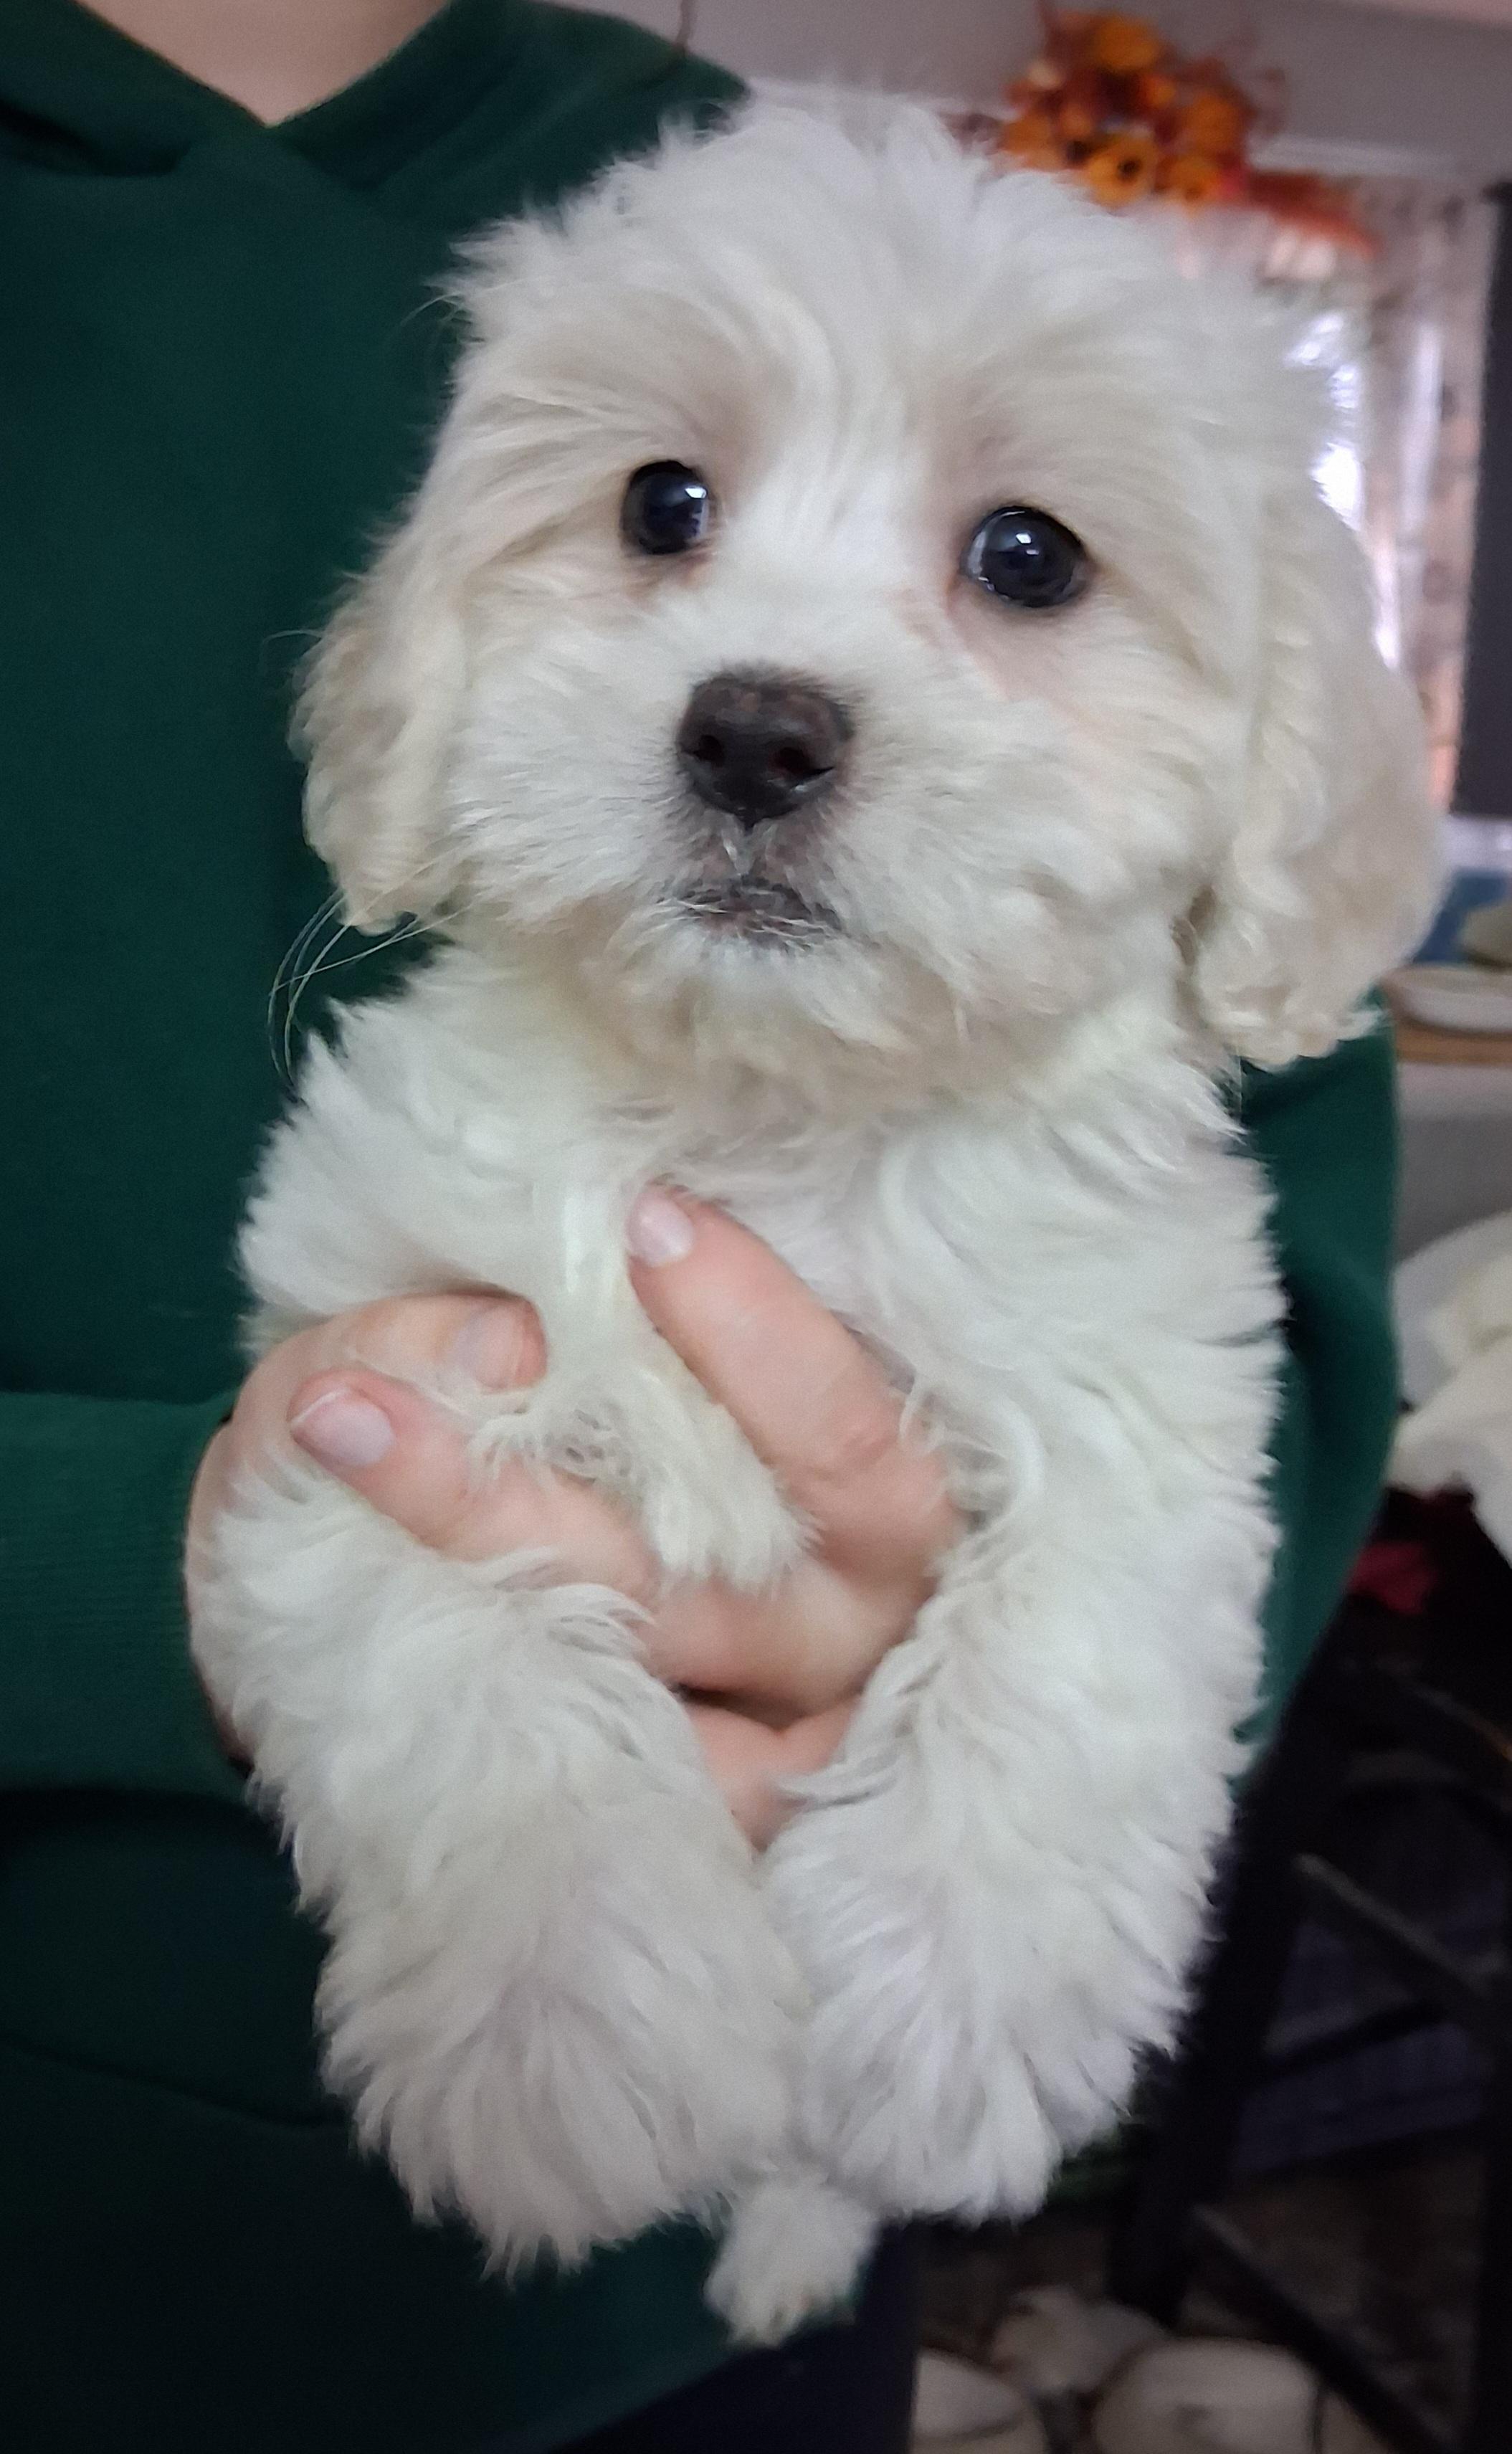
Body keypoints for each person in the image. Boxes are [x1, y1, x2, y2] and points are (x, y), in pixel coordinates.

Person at [0, 1, 1406, 2447]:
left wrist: (1007, 1799)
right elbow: (358, 1490)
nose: (770, 692)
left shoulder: (683, 155)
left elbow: (1211, 1446)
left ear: (1263, 758)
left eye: (1023, 560)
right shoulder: (441, 1121)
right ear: (428, 649)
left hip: (719, 2342)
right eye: (665, 513)